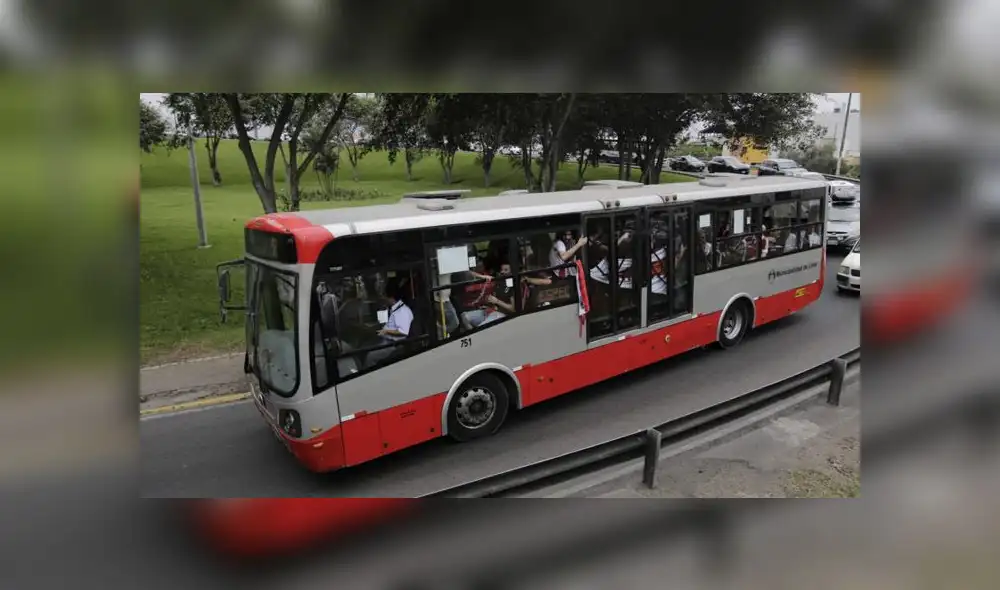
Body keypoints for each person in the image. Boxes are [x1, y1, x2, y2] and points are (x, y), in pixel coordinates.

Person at [365, 280, 413, 368]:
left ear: (391, 298)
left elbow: (403, 332)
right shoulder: (394, 308)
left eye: (385, 296)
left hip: (394, 346)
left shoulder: (402, 311)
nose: (384, 299)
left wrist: (386, 332)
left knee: (370, 357)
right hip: (386, 340)